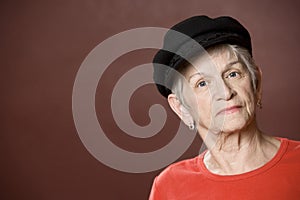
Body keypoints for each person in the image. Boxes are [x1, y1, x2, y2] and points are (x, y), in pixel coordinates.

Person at [149, 15, 300, 200]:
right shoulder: (170, 186)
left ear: (256, 83)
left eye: (233, 74)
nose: (225, 92)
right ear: (181, 108)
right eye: (202, 83)